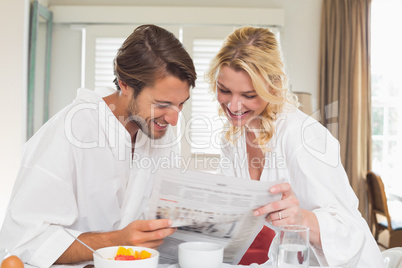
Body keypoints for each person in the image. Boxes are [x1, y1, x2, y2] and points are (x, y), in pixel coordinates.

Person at [0, 24, 196, 267]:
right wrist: (116, 241)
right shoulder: (70, 131)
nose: (175, 119)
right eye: (163, 103)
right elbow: (24, 243)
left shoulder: (158, 132)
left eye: (181, 104)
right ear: (125, 84)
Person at [205, 26, 384, 268]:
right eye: (224, 90)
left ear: (273, 87)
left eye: (248, 95)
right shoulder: (235, 136)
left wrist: (301, 218)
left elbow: (349, 231)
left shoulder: (303, 137)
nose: (234, 106)